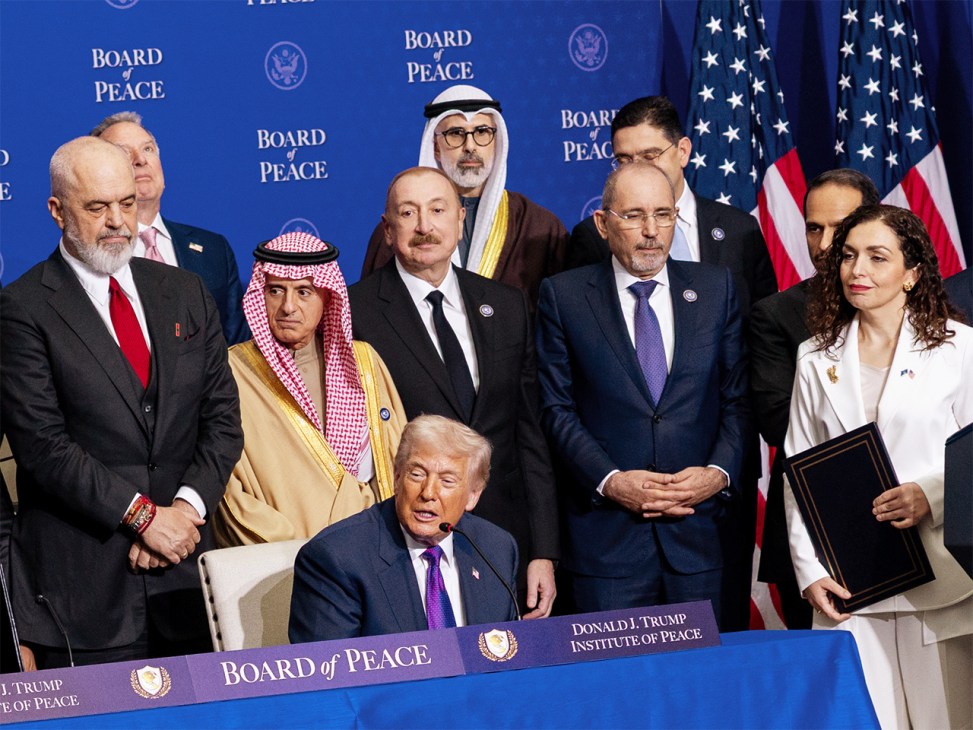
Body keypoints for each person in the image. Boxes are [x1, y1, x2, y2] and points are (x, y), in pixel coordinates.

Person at [0, 137, 242, 668]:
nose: (117, 221)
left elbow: (223, 420)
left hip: (187, 580)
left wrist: (184, 513)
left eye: (127, 203)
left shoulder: (185, 291)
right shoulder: (22, 307)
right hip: (86, 596)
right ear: (57, 211)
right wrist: (142, 518)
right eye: (97, 207)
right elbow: (43, 447)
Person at [536, 164, 751, 629]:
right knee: (616, 676)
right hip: (607, 547)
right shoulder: (563, 297)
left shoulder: (716, 289)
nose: (651, 231)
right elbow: (556, 409)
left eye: (663, 215)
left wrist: (716, 474)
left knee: (704, 672)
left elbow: (737, 400)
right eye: (634, 216)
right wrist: (611, 481)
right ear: (603, 223)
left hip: (700, 538)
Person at [784, 205, 972, 729]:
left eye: (876, 257)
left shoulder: (960, 350)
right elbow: (797, 475)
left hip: (942, 581)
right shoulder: (814, 357)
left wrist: (931, 495)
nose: (857, 270)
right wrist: (810, 572)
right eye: (848, 256)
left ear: (912, 273)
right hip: (849, 589)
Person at [349, 167, 558, 619]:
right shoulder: (354, 313)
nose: (425, 226)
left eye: (438, 210)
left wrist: (542, 549)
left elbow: (529, 435)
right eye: (408, 213)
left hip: (504, 540)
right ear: (388, 229)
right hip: (407, 541)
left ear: (461, 220)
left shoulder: (506, 304)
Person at [214, 233, 406, 546]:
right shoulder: (230, 371)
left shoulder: (364, 363)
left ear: (328, 298)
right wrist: (302, 553)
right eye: (275, 291)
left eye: (304, 292)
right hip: (281, 556)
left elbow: (395, 463)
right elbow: (229, 492)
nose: (288, 307)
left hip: (368, 546)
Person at [749, 169, 879, 629]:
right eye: (813, 228)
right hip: (813, 526)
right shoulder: (776, 315)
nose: (824, 244)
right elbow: (778, 422)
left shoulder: (920, 313)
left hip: (913, 514)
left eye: (839, 227)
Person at [289, 415, 518, 642]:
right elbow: (328, 663)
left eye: (447, 481)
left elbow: (506, 653)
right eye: (417, 474)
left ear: (473, 495)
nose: (428, 493)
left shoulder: (496, 549)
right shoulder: (337, 558)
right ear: (397, 477)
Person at [359, 85, 569, 309]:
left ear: (497, 143)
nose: (470, 146)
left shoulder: (539, 227)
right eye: (456, 134)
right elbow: (375, 311)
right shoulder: (401, 230)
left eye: (482, 132)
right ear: (435, 147)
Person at [567, 96, 777, 315]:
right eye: (624, 160)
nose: (638, 169)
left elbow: (763, 320)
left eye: (649, 156)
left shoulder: (740, 229)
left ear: (683, 151)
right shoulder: (593, 237)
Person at [92, 112, 250, 344]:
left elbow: (237, 346)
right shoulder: (92, 256)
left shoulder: (215, 250)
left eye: (148, 149)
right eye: (124, 152)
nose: (140, 160)